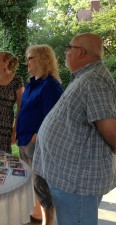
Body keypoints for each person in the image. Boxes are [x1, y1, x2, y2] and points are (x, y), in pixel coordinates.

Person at [33, 33, 116, 225]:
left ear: (81, 52)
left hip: (77, 182)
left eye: (69, 48)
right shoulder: (85, 76)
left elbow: (111, 130)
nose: (66, 52)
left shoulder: (93, 80)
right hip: (70, 178)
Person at [16, 44, 63, 225]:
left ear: (42, 59)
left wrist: (36, 136)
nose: (26, 62)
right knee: (31, 182)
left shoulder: (51, 85)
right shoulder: (31, 83)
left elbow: (53, 117)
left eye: (30, 58)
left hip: (36, 143)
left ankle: (48, 221)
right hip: (24, 140)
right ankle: (35, 216)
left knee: (41, 184)